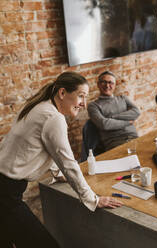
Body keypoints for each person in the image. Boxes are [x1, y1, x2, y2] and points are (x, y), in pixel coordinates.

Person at [0, 72, 123, 248]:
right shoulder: (53, 117)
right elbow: (68, 163)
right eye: (81, 96)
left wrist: (58, 174)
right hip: (6, 192)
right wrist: (93, 199)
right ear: (62, 93)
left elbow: (46, 150)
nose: (84, 103)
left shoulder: (39, 106)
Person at [88, 71, 140, 151]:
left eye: (110, 83)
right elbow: (104, 124)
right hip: (114, 142)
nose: (107, 85)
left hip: (133, 137)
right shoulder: (93, 106)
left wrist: (113, 117)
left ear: (115, 85)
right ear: (98, 84)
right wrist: (127, 122)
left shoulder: (123, 98)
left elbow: (136, 112)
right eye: (104, 82)